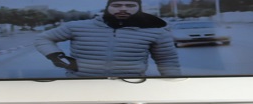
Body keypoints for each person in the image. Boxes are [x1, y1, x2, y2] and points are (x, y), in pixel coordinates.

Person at [34, 0, 180, 78]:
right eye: (117, 5)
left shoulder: (155, 31)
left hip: (129, 85)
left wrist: (172, 84)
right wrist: (57, 57)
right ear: (108, 7)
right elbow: (43, 38)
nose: (123, 9)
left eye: (130, 5)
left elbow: (167, 60)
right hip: (80, 84)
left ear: (139, 8)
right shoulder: (76, 26)